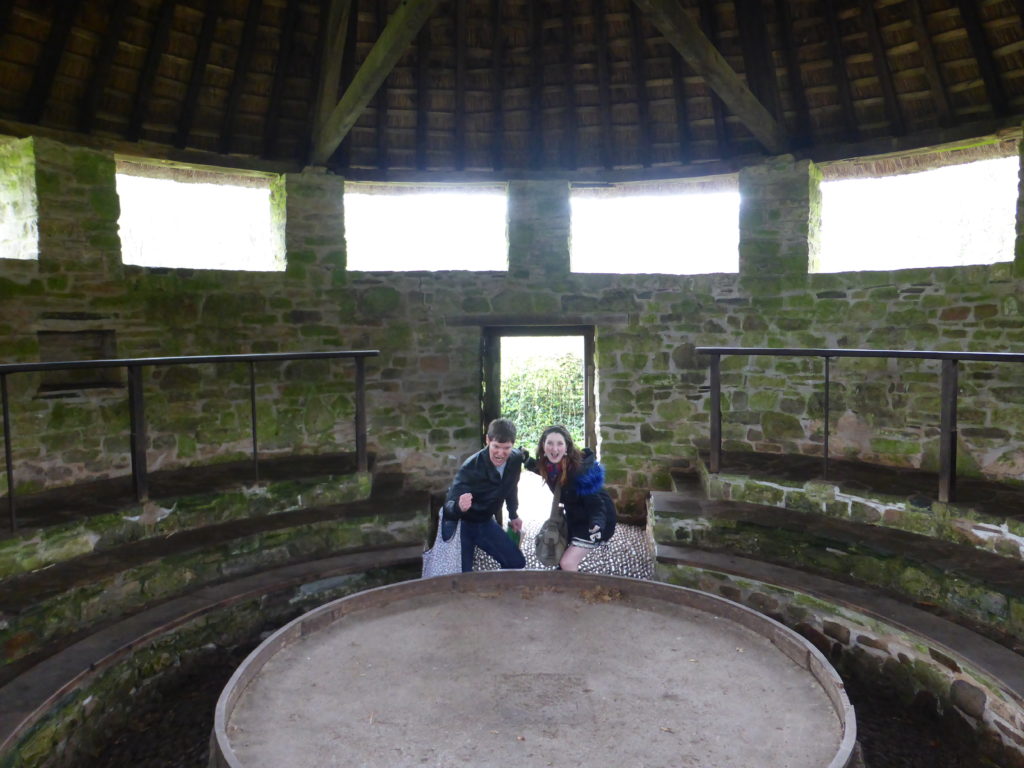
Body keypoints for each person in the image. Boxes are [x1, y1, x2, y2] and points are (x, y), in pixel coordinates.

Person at [527, 425, 616, 572]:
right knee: (561, 557)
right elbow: (544, 471)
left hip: (595, 521)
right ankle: (564, 582)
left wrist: (597, 524)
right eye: (550, 443)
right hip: (577, 516)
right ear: (543, 445)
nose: (554, 449)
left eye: (559, 444)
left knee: (567, 563)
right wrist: (527, 461)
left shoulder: (579, 471)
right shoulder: (552, 466)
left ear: (567, 447)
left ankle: (579, 592)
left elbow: (596, 503)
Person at [443, 418, 527, 573]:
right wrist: (458, 506)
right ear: (487, 440)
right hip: (461, 523)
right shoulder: (470, 468)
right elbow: (448, 508)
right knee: (461, 576)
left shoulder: (515, 459)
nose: (501, 453)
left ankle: (501, 594)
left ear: (513, 445)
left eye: (506, 448)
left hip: (484, 521)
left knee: (516, 562)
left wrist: (513, 514)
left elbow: (511, 487)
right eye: (496, 447)